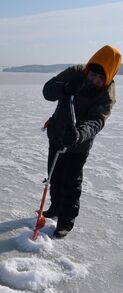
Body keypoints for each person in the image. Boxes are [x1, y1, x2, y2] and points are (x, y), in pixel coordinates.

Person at [42, 44, 121, 238]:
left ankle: (65, 221)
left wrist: (79, 134)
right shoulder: (76, 72)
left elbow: (97, 121)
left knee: (71, 181)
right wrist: (66, 88)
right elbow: (48, 91)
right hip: (57, 134)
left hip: (79, 144)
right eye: (92, 74)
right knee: (54, 175)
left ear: (108, 77)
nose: (93, 79)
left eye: (100, 77)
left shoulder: (107, 94)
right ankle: (55, 207)